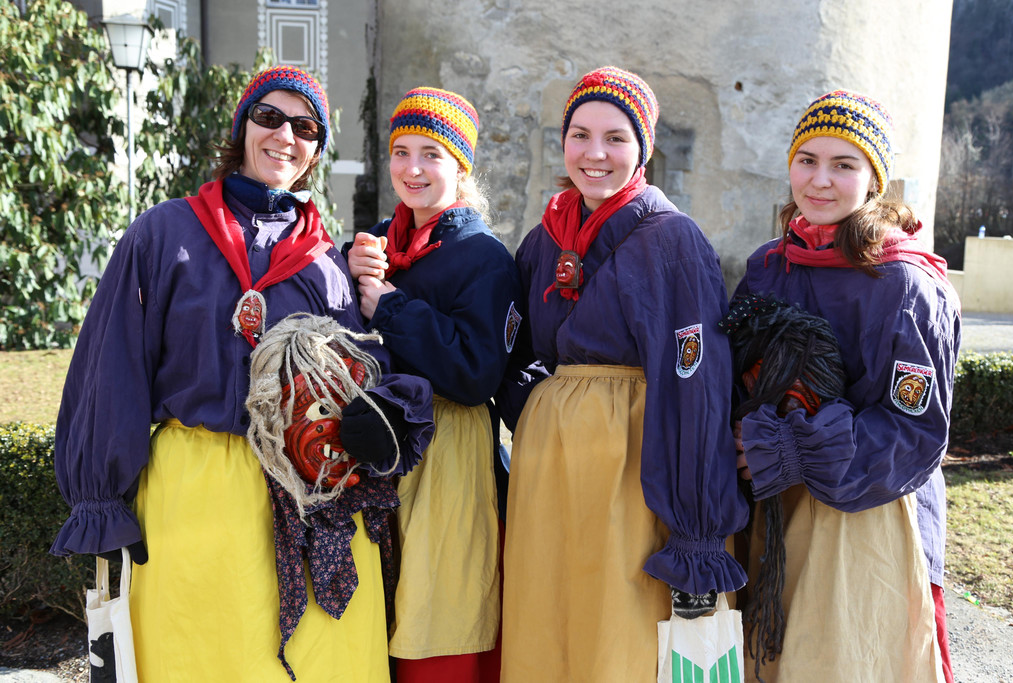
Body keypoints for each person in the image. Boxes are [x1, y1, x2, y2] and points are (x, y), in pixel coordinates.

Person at [50, 65, 435, 682]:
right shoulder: (164, 234)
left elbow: (359, 374)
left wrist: (385, 407)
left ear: (315, 152)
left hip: (305, 502)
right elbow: (110, 366)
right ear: (242, 127)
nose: (285, 136)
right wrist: (100, 498)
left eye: (305, 128)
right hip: (195, 494)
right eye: (270, 117)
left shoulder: (328, 265)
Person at [497, 66, 749, 682]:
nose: (595, 153)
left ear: (644, 148)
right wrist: (542, 411)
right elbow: (513, 352)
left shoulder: (673, 241)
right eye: (580, 135)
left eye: (615, 137)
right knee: (549, 629)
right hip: (550, 470)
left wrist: (697, 533)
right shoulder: (542, 242)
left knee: (618, 637)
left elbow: (698, 390)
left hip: (634, 471)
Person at [731, 90, 961, 682]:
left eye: (843, 164)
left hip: (861, 514)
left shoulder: (904, 285)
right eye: (807, 160)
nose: (820, 180)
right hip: (769, 511)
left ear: (874, 179)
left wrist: (792, 451)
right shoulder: (767, 267)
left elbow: (913, 431)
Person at [344, 87, 522, 682]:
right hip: (373, 448)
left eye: (431, 154)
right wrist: (346, 272)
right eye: (401, 152)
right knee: (372, 620)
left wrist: (391, 307)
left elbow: (476, 373)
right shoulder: (377, 242)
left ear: (461, 167)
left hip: (446, 453)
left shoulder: (484, 258)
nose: (412, 168)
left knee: (437, 619)